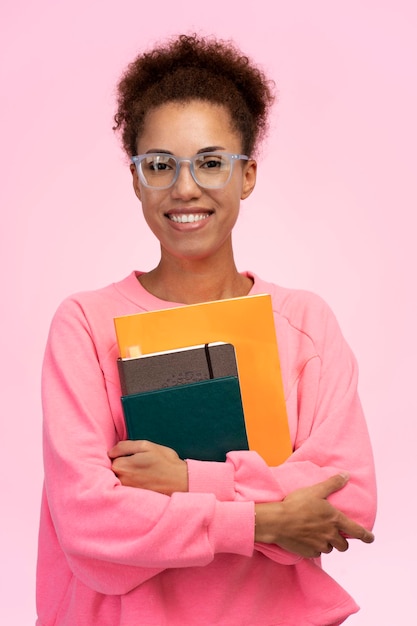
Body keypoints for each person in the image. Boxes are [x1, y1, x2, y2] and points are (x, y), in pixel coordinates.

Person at [36, 34, 376, 626]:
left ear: (246, 176)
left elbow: (347, 501)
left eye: (211, 162)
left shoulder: (304, 322)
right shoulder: (86, 325)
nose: (185, 187)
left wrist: (184, 479)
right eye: (160, 165)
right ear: (136, 179)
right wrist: (266, 520)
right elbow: (90, 521)